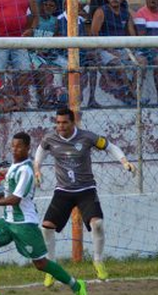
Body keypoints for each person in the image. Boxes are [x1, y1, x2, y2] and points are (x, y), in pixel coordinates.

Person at [0, 131, 88, 295]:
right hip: (8, 221)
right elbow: (9, 193)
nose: (15, 150)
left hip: (25, 224)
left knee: (40, 264)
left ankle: (77, 286)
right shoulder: (14, 167)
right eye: (13, 146)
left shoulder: (26, 170)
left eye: (19, 147)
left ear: (27, 148)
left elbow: (16, 199)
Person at [34, 108, 136, 283]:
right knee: (46, 228)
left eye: (65, 122)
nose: (61, 126)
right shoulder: (50, 138)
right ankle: (51, 268)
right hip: (63, 191)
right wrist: (37, 169)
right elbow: (40, 152)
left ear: (73, 122)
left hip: (86, 190)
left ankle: (98, 261)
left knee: (97, 224)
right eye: (58, 123)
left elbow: (110, 146)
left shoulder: (87, 137)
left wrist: (124, 161)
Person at [0, 0, 39, 109]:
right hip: (0, 39)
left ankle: (21, 101)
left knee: (24, 70)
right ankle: (1, 101)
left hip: (19, 40)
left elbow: (36, 16)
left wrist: (31, 29)